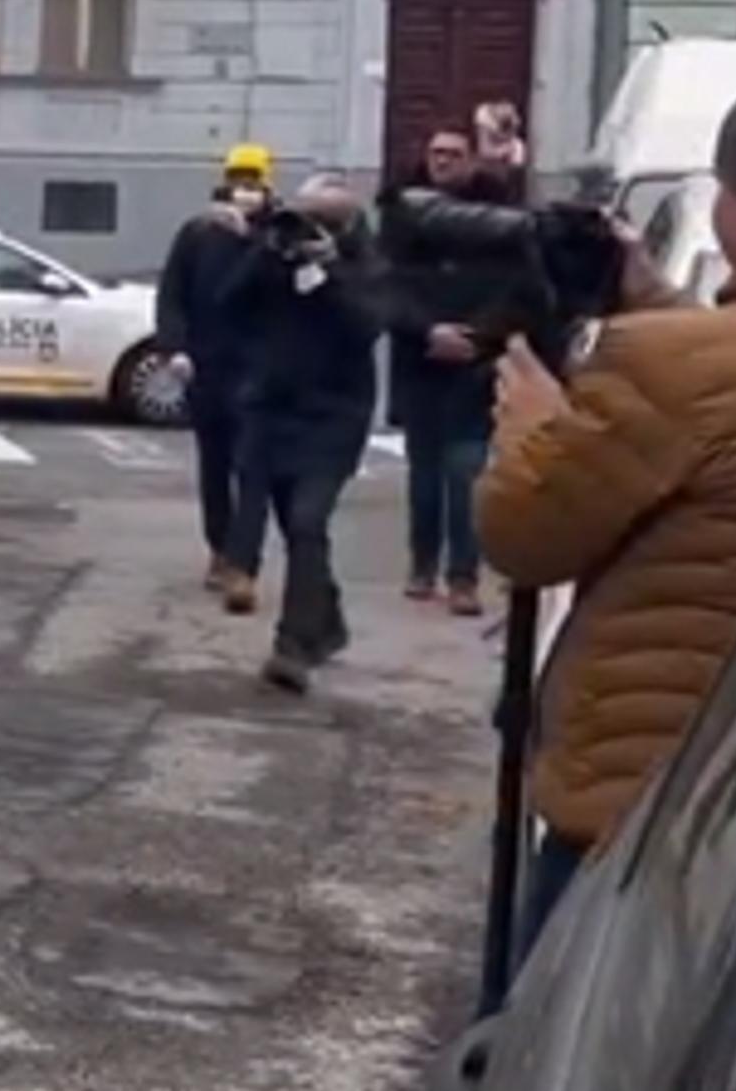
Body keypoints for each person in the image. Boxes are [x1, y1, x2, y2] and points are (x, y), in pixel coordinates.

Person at [478, 48, 736, 951]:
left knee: (558, 1075)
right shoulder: (703, 359)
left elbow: (523, 536)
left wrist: (530, 426)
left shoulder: (674, 371)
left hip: (646, 807)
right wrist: (659, 303)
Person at [221, 172, 388, 693]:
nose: (311, 229)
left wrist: (330, 266)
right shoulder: (276, 255)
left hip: (334, 414)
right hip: (272, 408)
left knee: (308, 519)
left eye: (325, 221)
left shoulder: (368, 264)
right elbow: (228, 302)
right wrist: (268, 247)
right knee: (298, 530)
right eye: (307, 216)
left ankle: (292, 647)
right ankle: (328, 623)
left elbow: (368, 324)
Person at [380, 122, 519, 615]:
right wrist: (428, 331)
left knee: (466, 471)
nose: (442, 161)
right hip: (421, 364)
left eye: (453, 154)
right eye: (436, 152)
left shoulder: (499, 218)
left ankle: (463, 577)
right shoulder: (403, 217)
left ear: (471, 160)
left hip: (473, 369)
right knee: (424, 472)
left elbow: (516, 292)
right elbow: (389, 290)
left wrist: (477, 338)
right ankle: (422, 564)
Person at [156, 143, 275, 610]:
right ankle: (220, 548)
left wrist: (256, 236)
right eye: (238, 180)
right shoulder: (198, 233)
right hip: (207, 366)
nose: (244, 190)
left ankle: (243, 561)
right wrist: (175, 347)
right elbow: (173, 293)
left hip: (258, 372)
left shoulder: (275, 236)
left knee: (254, 467)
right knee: (215, 465)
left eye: (253, 181)